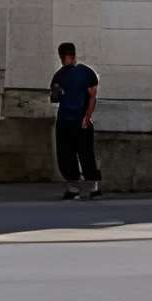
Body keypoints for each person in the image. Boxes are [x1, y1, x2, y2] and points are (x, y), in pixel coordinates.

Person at [49, 43, 100, 198]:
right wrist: (87, 117)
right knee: (84, 154)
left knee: (68, 155)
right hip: (77, 120)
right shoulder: (87, 73)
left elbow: (54, 98)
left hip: (67, 120)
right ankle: (92, 187)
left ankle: (75, 189)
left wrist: (86, 117)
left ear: (61, 56)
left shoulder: (59, 75)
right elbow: (92, 97)